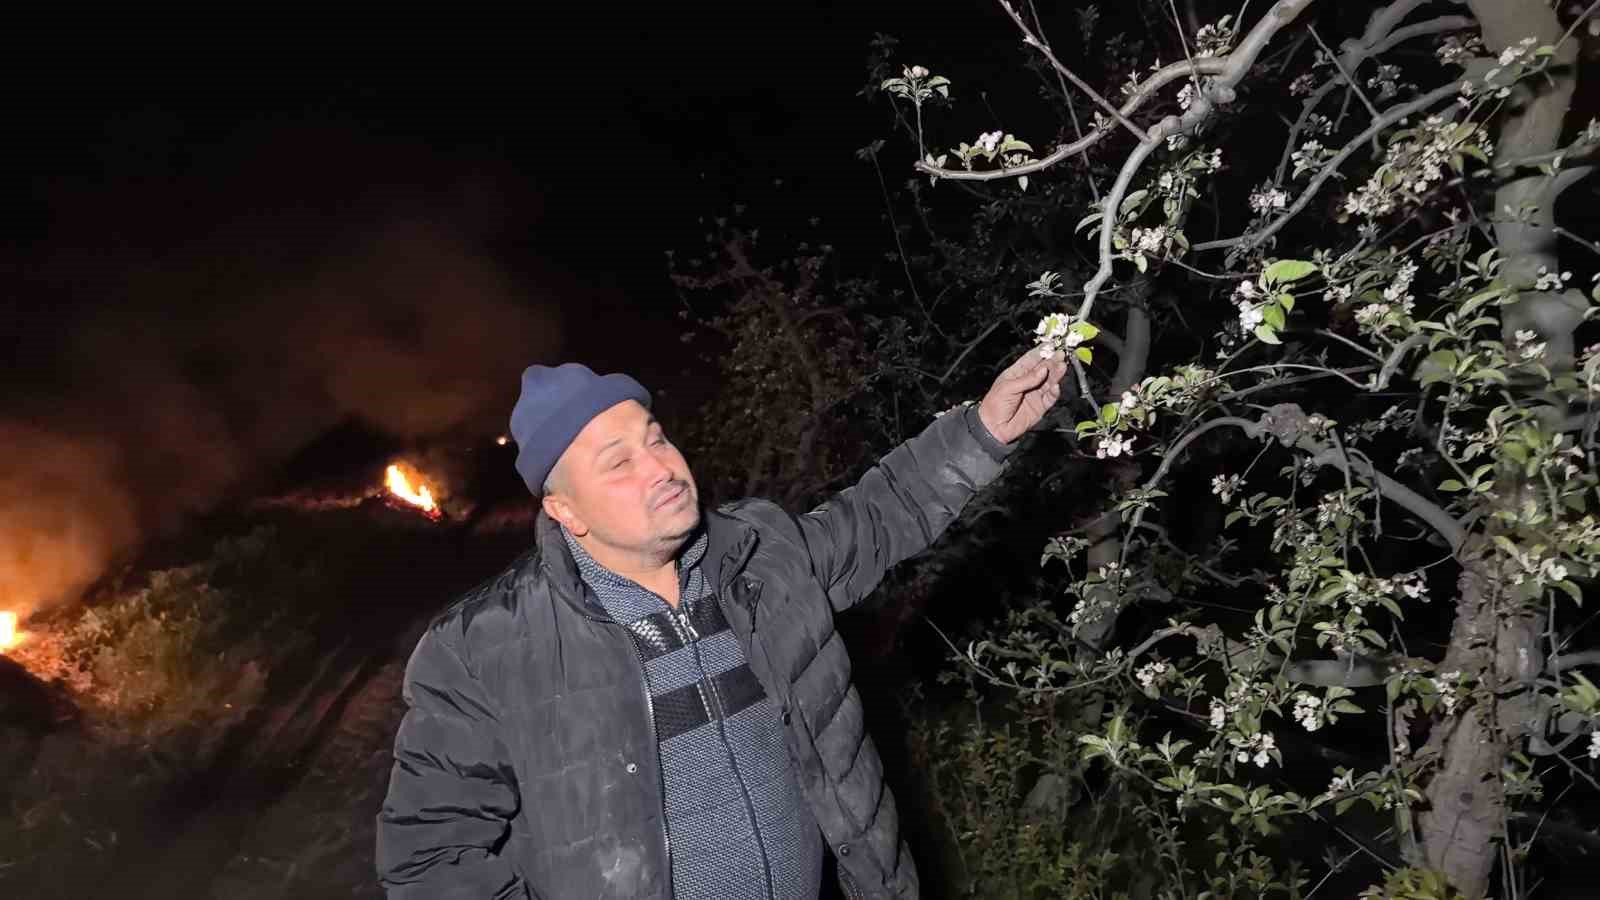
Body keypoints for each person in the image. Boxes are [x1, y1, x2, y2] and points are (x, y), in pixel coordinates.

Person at [376, 348, 1069, 899]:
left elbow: (878, 516)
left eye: (656, 439)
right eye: (619, 462)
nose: (661, 467)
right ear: (566, 511)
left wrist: (983, 430)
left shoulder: (760, 556)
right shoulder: (484, 651)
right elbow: (428, 860)